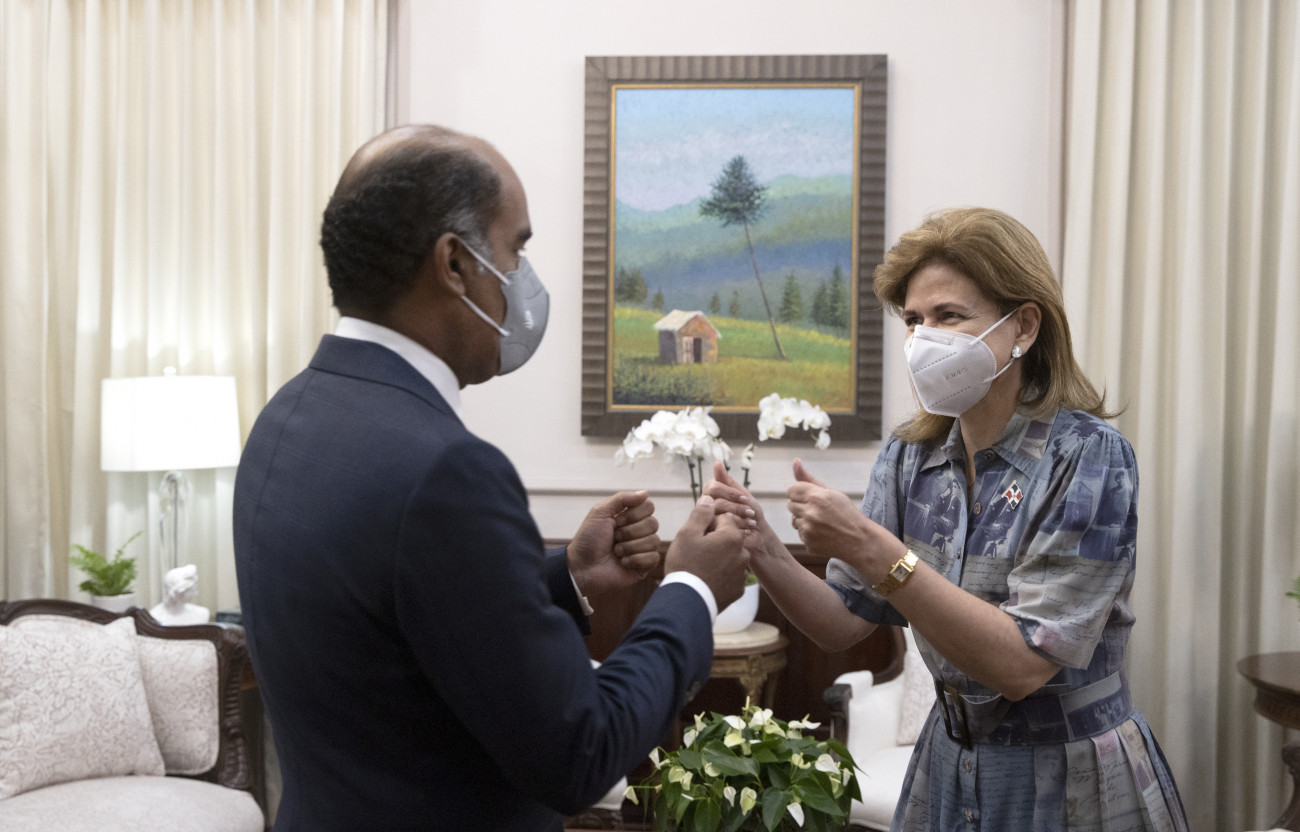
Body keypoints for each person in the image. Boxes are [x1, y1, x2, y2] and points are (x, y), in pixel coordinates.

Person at [233, 124, 750, 832]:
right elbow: (580, 750)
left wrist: (566, 577)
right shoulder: (447, 471)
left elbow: (391, 629)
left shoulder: (288, 416)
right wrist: (691, 588)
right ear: (455, 263)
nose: (523, 279)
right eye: (517, 249)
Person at [706, 207, 1188, 830]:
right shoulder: (910, 456)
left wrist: (874, 550)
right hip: (950, 764)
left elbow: (1022, 664)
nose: (923, 340)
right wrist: (760, 545)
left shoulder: (1089, 457)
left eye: (949, 316)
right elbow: (841, 621)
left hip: (1068, 777)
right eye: (914, 320)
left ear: (1024, 326)